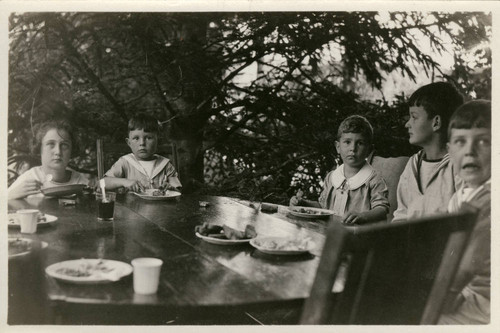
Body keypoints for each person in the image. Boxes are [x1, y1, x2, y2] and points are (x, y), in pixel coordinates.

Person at [438, 100, 491, 325]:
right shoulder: (461, 194)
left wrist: (440, 298)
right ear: (449, 150)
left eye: (483, 141)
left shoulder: (488, 202)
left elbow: (465, 267)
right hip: (466, 290)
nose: (470, 151)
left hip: (485, 303)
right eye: (460, 141)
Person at [290, 115, 389, 224]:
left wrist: (363, 216)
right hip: (330, 233)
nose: (353, 148)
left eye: (360, 143)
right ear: (338, 147)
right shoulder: (332, 177)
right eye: (347, 142)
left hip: (359, 236)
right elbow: (323, 207)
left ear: (369, 149)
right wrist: (303, 203)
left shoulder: (374, 179)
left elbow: (382, 209)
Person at [392, 82, 463, 221]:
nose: (407, 124)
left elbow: (463, 221)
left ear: (436, 122)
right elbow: (401, 215)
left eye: (414, 117)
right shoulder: (412, 165)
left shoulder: (457, 166)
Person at [8, 119, 89, 200]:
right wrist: (10, 196)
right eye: (51, 144)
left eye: (64, 145)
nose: (58, 152)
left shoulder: (80, 181)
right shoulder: (29, 178)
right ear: (39, 148)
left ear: (72, 150)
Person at [103, 114, 181, 192]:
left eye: (148, 138)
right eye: (136, 138)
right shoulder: (125, 162)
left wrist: (171, 187)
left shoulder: (165, 165)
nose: (142, 143)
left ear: (158, 141)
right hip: (132, 204)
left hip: (161, 204)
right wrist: (125, 182)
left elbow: (177, 189)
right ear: (129, 142)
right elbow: (102, 183)